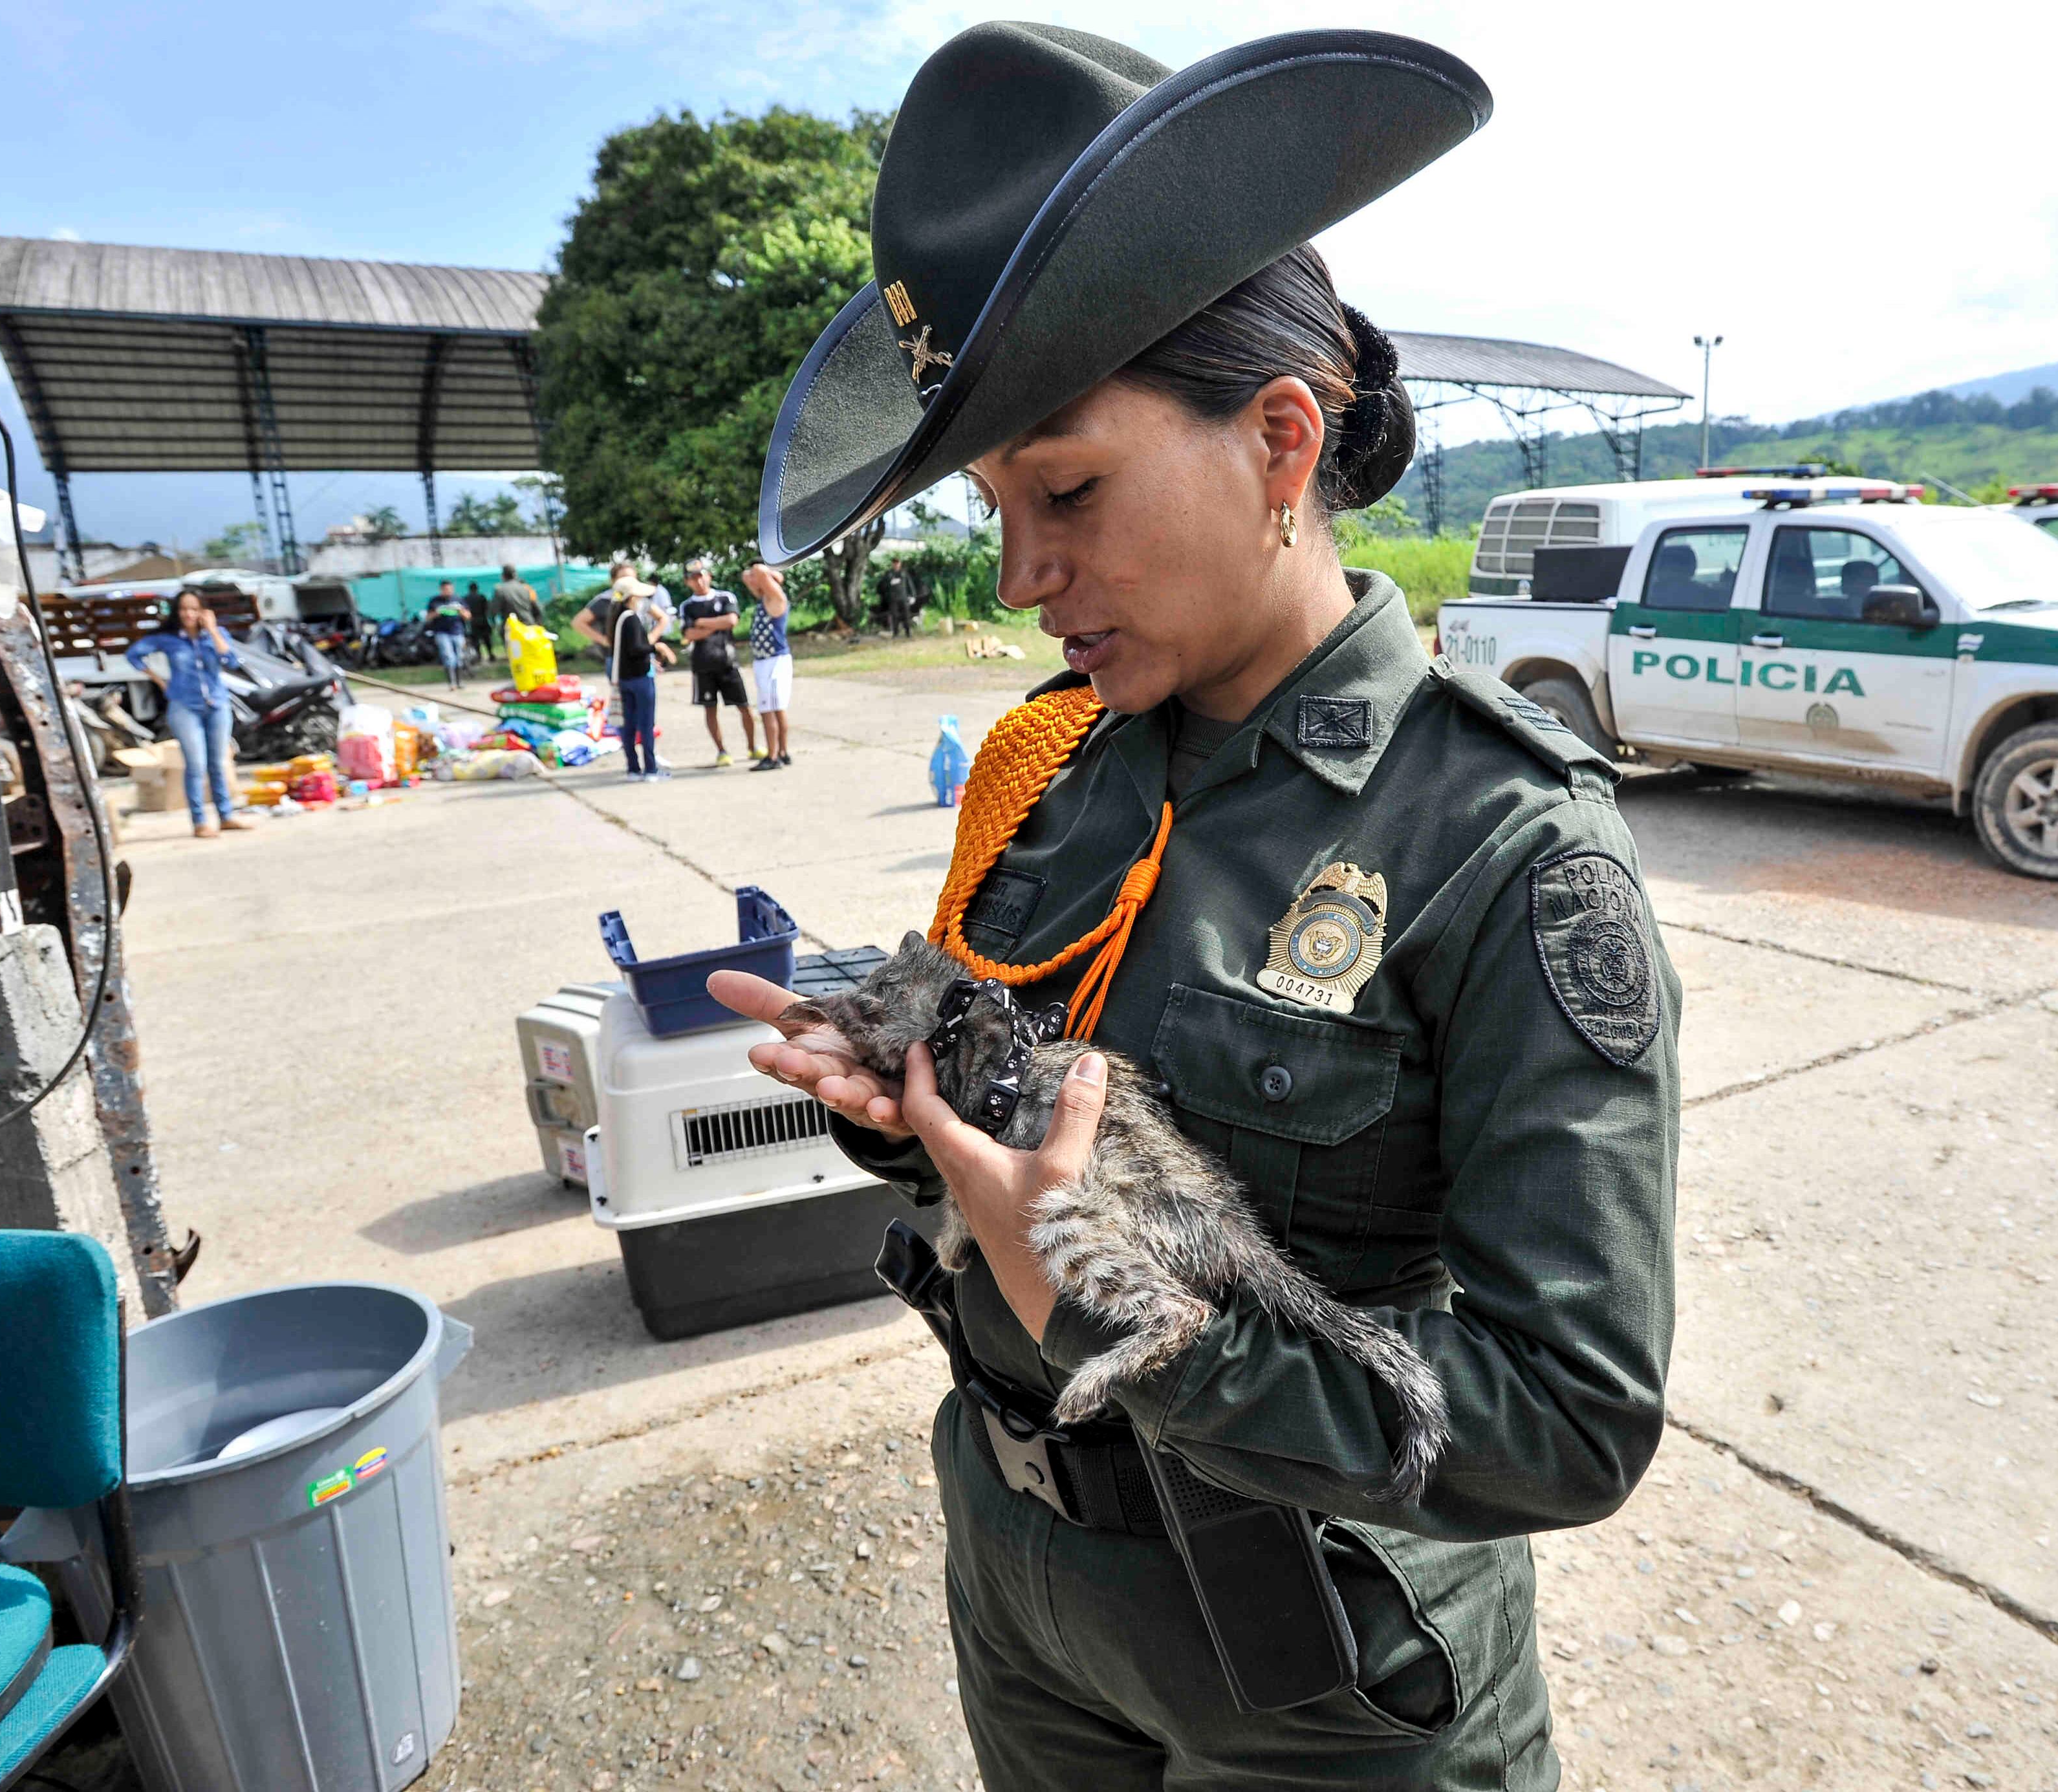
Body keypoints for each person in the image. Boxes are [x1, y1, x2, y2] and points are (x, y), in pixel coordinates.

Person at [709, 27, 1671, 1790]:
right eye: (995, 508)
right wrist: (909, 1108)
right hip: (1027, 1590)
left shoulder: (1502, 840)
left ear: (1280, 441)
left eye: (1067, 490)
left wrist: (1111, 1305)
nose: (1021, 575)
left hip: (1317, 1665)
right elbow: (1027, 1142)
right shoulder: (1051, 767)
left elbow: (1566, 1418)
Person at [129, 589, 255, 839]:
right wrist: (160, 681)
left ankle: (226, 816)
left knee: (218, 763)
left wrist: (214, 630)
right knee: (196, 764)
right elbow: (134, 654)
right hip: (185, 706)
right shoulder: (169, 638)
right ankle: (199, 821)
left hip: (217, 704)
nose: (189, 614)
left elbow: (230, 660)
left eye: (194, 609)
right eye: (184, 609)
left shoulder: (213, 635)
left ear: (203, 611)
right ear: (177, 612)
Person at [676, 557, 757, 767]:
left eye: (702, 576)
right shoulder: (687, 606)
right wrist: (715, 625)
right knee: (710, 709)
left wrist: (703, 624)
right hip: (702, 665)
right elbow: (689, 634)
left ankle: (752, 747)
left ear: (709, 576)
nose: (699, 581)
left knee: (744, 707)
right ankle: (722, 751)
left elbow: (731, 621)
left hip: (728, 661)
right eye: (694, 578)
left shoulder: (725, 597)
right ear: (688, 582)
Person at [609, 582, 675, 781]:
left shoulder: (617, 618)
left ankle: (633, 768)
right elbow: (637, 649)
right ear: (632, 598)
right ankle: (651, 769)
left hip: (625, 680)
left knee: (628, 725)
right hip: (640, 679)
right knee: (646, 724)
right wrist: (657, 648)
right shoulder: (631, 619)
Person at [741, 561, 792, 770]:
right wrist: (768, 577)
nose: (753, 578)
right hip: (765, 660)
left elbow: (759, 571)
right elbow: (747, 575)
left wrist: (771, 575)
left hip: (773, 661)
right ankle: (782, 751)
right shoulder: (765, 598)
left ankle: (772, 757)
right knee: (776, 709)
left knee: (768, 709)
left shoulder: (776, 599)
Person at [425, 580, 471, 688]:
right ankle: (452, 683)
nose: (448, 591)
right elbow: (428, 617)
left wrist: (460, 611)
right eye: (445, 589)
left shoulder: (458, 600)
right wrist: (438, 612)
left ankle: (460, 682)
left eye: (450, 589)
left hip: (457, 631)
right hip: (442, 633)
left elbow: (468, 616)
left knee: (460, 656)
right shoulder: (435, 601)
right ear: (441, 590)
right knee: (449, 656)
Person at [493, 562, 543, 638]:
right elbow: (539, 608)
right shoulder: (526, 588)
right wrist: (537, 624)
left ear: (503, 576)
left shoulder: (500, 590)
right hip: (529, 626)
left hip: (512, 631)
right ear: (515, 575)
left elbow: (494, 611)